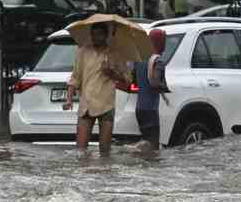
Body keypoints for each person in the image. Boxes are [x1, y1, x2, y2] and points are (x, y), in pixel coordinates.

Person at [63, 22, 131, 156]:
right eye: (93, 35)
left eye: (99, 35)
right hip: (86, 104)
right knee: (81, 151)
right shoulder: (83, 51)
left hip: (106, 104)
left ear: (106, 36)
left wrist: (112, 73)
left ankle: (104, 175)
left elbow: (127, 80)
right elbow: (75, 77)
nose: (95, 38)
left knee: (105, 151)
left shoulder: (115, 54)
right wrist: (69, 99)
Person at [134, 28, 170, 150]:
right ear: (159, 42)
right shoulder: (158, 61)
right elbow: (155, 83)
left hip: (139, 108)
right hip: (150, 108)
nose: (165, 44)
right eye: (164, 40)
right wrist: (165, 88)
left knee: (146, 140)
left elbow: (134, 81)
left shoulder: (139, 59)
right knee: (153, 146)